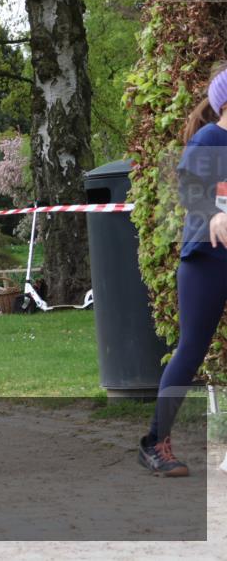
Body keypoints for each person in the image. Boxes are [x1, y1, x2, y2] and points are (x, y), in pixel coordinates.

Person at [138, 63, 227, 477]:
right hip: (207, 259)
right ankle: (155, 443)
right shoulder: (210, 138)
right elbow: (185, 187)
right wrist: (211, 214)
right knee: (191, 350)